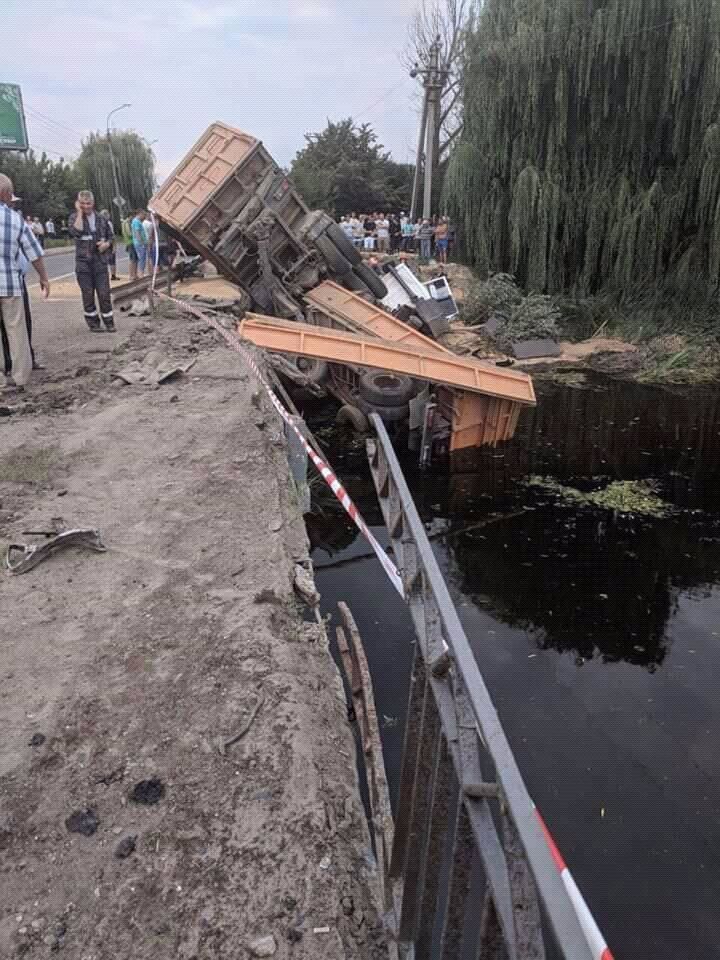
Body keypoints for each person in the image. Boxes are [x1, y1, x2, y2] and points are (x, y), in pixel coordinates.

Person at [0, 174, 50, 394]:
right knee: (16, 331)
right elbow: (34, 252)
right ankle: (19, 378)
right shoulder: (15, 219)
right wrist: (44, 277)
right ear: (7, 194)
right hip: (10, 283)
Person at [67, 190, 116, 332]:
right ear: (78, 204)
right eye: (82, 203)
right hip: (83, 264)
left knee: (104, 293)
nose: (86, 206)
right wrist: (80, 213)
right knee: (87, 294)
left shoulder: (102, 219)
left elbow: (111, 237)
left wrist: (106, 244)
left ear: (93, 203)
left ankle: (109, 322)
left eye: (88, 203)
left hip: (100, 262)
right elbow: (76, 231)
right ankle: (93, 324)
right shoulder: (74, 217)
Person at [100, 209, 119, 280]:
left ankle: (105, 276)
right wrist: (114, 246)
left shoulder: (99, 223)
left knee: (103, 260)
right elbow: (112, 236)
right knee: (111, 260)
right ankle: (113, 275)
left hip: (103, 244)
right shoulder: (108, 223)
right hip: (108, 244)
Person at [131, 210, 148, 277]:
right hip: (139, 243)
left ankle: (141, 273)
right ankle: (141, 274)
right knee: (142, 258)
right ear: (139, 214)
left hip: (138, 243)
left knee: (141, 258)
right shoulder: (137, 222)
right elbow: (137, 233)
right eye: (143, 215)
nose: (144, 217)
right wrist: (142, 243)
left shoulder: (136, 221)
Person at [122, 212, 138, 280]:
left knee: (135, 259)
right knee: (132, 259)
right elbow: (129, 233)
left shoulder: (127, 222)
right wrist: (136, 234)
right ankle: (131, 275)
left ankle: (135, 274)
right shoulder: (126, 223)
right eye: (133, 216)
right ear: (130, 216)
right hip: (130, 242)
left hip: (131, 242)